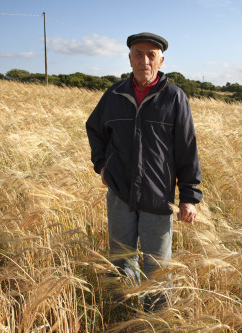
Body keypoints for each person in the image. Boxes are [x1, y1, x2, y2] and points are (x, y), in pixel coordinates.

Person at [86, 32, 202, 311]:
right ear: (129, 59)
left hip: (157, 196)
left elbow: (187, 149)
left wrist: (188, 196)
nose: (145, 60)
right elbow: (95, 130)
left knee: (158, 266)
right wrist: (102, 166)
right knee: (121, 260)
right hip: (120, 195)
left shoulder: (174, 98)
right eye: (138, 53)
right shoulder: (114, 95)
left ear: (161, 60)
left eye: (151, 55)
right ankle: (123, 315)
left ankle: (157, 320)